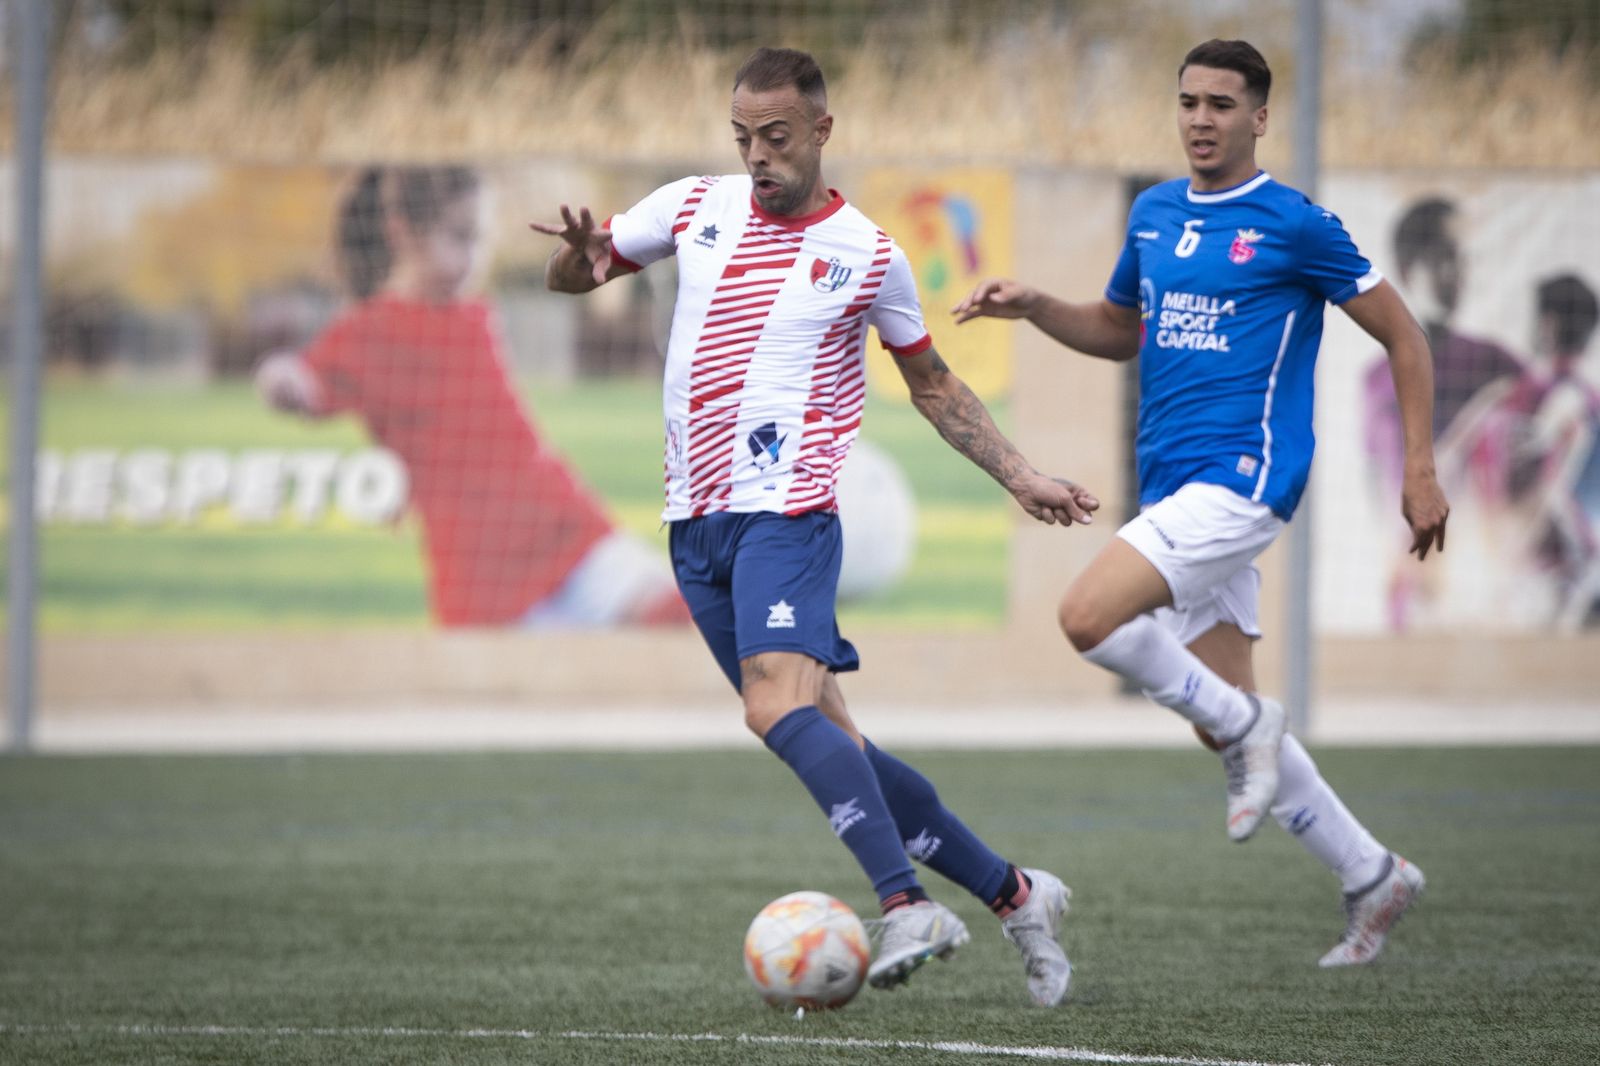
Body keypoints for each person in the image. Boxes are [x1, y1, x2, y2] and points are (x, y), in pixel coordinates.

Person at [533, 47, 1098, 1003]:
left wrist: (1019, 472)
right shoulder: (691, 207)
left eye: (778, 137)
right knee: (838, 742)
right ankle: (1015, 895)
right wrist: (576, 260)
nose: (758, 155)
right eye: (744, 137)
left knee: (773, 706)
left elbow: (935, 387)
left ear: (822, 132)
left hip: (787, 511)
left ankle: (905, 903)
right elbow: (577, 276)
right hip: (694, 523)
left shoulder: (868, 254)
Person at [954, 39, 1449, 967]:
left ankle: (1250, 733)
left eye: (1222, 105)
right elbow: (1118, 329)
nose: (1201, 121)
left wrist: (1419, 468)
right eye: (1188, 103)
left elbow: (1407, 337)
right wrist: (1037, 305)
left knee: (1086, 616)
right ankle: (1372, 872)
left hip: (1248, 479)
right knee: (1217, 709)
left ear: (1260, 117)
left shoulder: (1296, 225)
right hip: (1176, 488)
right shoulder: (1153, 211)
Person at [257, 166, 689, 628]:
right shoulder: (366, 332)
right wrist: (282, 379)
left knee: (689, 616)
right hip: (486, 581)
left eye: (480, 239)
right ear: (402, 232)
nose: (475, 257)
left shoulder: (475, 314)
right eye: (461, 237)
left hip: (562, 530)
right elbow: (304, 378)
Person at [1361, 196, 1525, 628]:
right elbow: (1377, 478)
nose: (1454, 274)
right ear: (1407, 268)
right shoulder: (1379, 379)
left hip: (1484, 566)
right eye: (1440, 260)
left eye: (1460, 260)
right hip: (1416, 561)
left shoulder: (1497, 365)